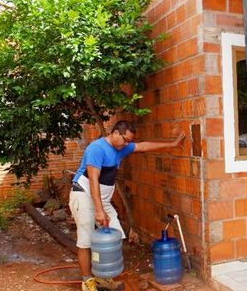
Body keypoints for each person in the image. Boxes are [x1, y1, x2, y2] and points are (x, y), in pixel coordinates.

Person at [69, 120, 185, 291]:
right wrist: (99, 210)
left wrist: (173, 144)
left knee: (113, 236)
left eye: (129, 141)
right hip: (84, 195)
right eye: (125, 140)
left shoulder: (121, 147)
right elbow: (93, 179)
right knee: (86, 240)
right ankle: (87, 281)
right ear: (115, 133)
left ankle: (102, 276)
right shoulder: (97, 148)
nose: (127, 144)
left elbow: (144, 146)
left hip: (102, 199)